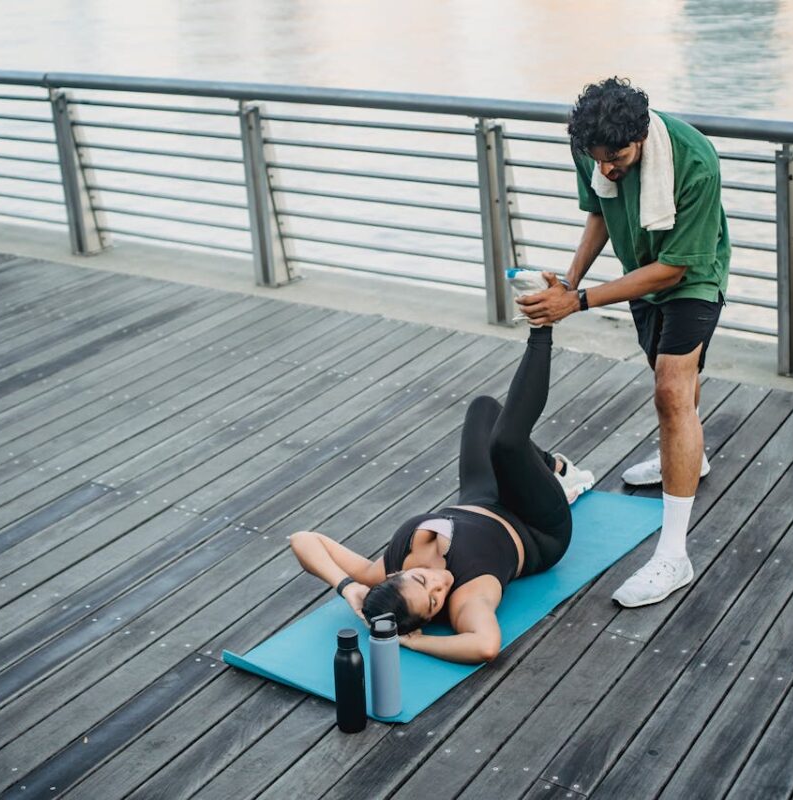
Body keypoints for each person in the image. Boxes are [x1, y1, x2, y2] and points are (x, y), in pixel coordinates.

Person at [516, 77, 730, 608]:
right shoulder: (590, 145)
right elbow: (599, 212)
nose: (607, 169)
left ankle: (673, 554)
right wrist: (569, 281)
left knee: (671, 390)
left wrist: (581, 301)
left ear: (642, 134)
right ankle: (687, 459)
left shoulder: (695, 161)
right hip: (638, 270)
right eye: (598, 159)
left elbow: (676, 266)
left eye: (618, 156)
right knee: (670, 382)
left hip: (691, 276)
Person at [288, 325, 595, 664]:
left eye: (421, 579)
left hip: (479, 499)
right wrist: (415, 643)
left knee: (484, 408)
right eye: (434, 602)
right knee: (506, 443)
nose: (439, 583)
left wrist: (348, 587)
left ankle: (554, 468)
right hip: (536, 526)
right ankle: (542, 327)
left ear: (396, 575)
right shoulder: (467, 596)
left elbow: (303, 539)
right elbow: (485, 646)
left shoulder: (379, 572)